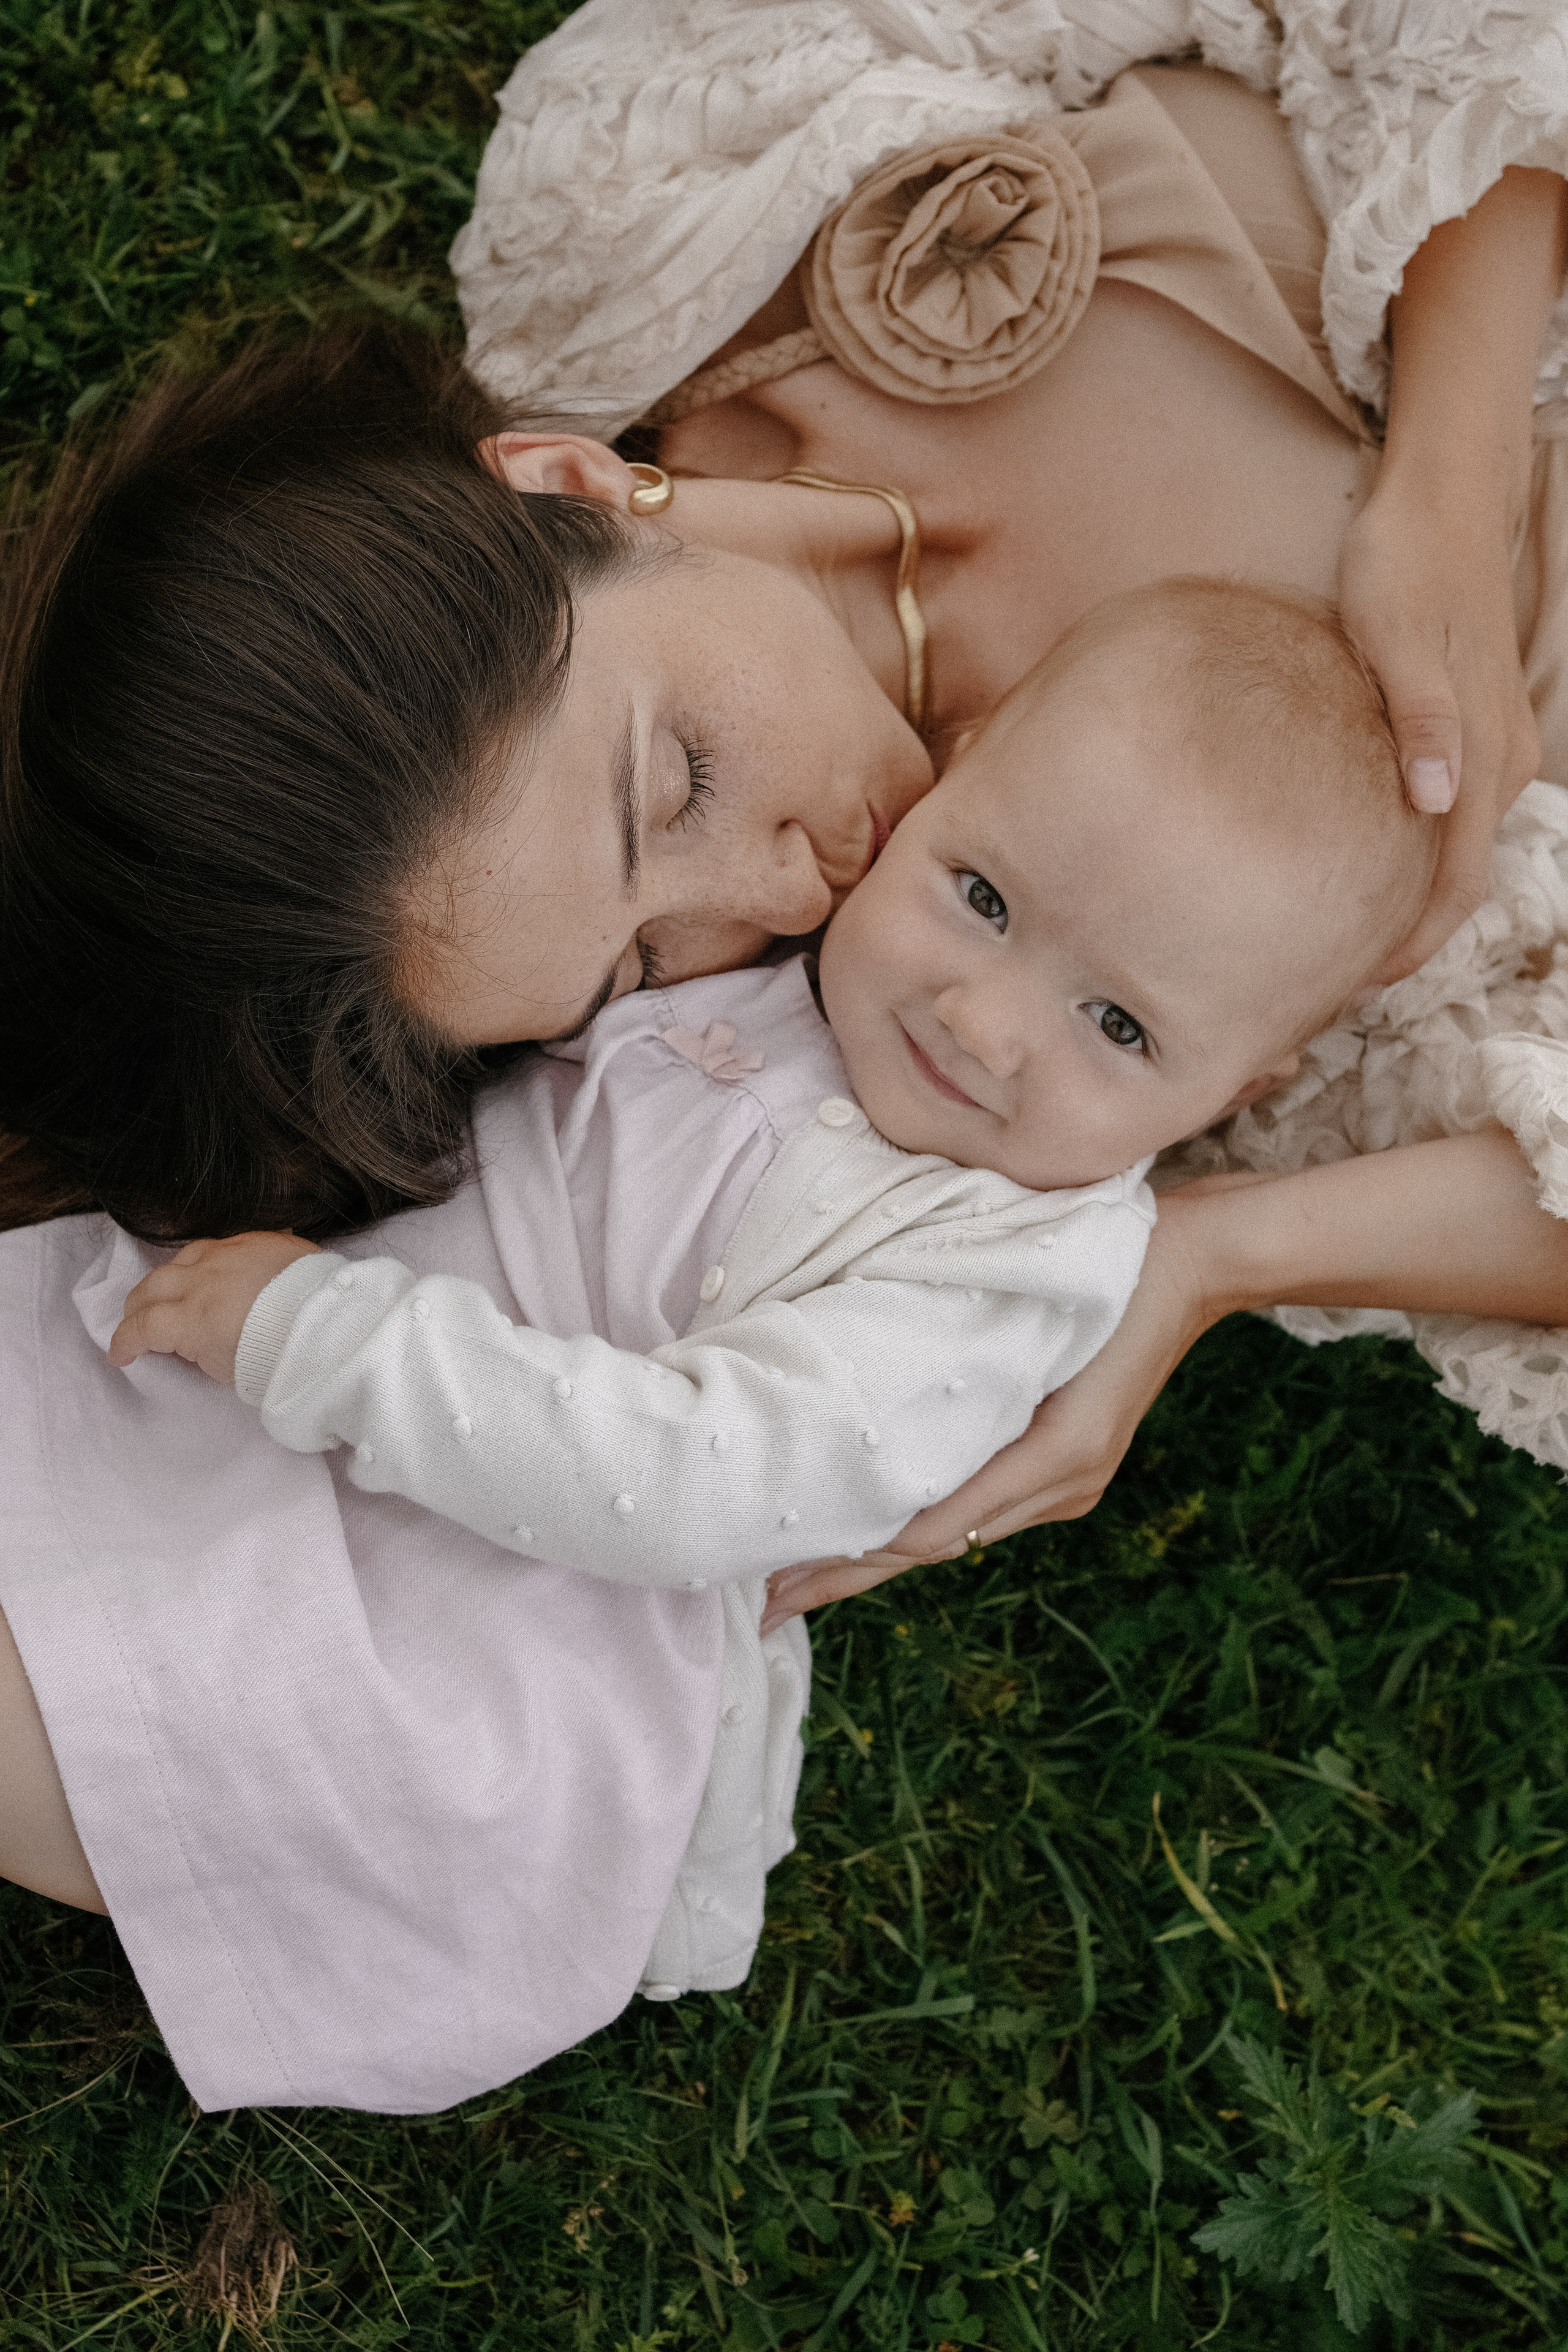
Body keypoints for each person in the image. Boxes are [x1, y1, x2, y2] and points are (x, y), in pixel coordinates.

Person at [7, 18, 1568, 2013]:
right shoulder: (1092, 1032)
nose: (773, 897)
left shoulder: (676, 203)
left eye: (673, 781)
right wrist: (1202, 1257)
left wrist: (1452, 472)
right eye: (640, 965)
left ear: (571, 480)